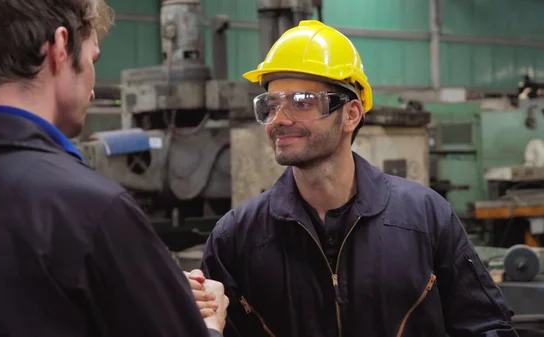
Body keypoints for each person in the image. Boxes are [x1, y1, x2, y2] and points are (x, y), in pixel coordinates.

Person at [187, 20, 518, 337]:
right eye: (270, 105)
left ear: (351, 114)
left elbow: (488, 327)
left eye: (302, 102)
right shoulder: (236, 239)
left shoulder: (426, 219)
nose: (280, 119)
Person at [0, 0, 227, 336]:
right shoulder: (93, 211)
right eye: (93, 59)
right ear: (60, 46)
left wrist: (143, 282)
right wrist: (209, 327)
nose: (93, 90)